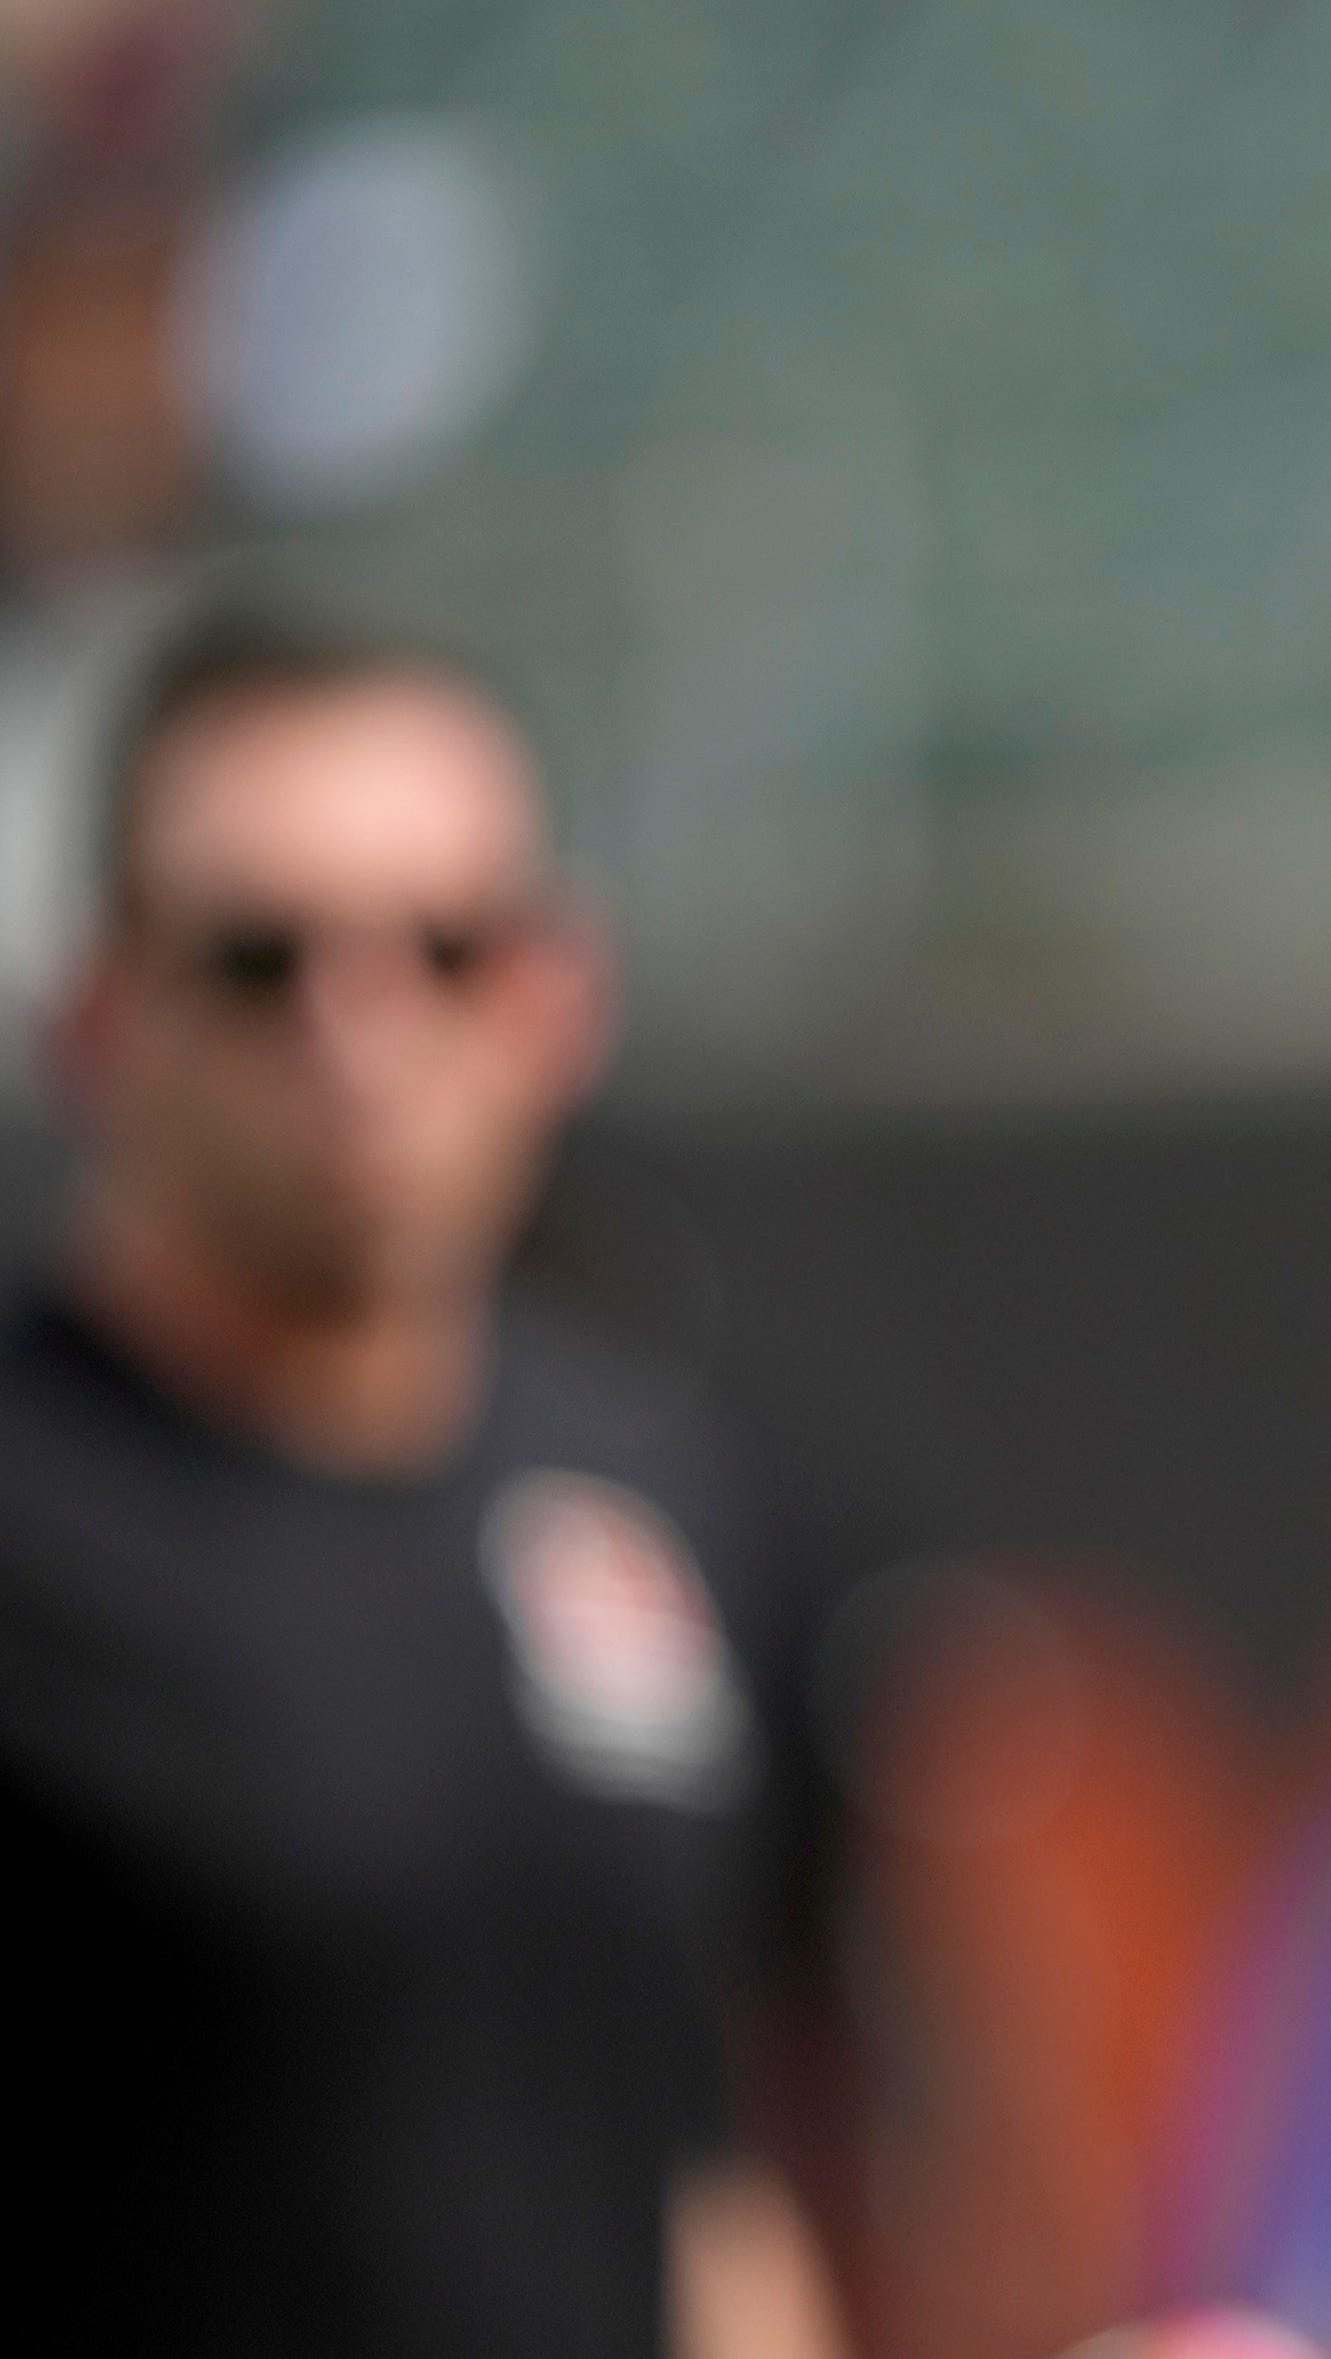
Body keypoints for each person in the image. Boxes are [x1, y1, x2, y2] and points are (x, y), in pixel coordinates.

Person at [0, 604, 844, 2357]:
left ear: (561, 995)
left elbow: (690, 2167)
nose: (358, 1034)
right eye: (259, 960)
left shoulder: (653, 1490)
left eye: (447, 950)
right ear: (94, 1013)